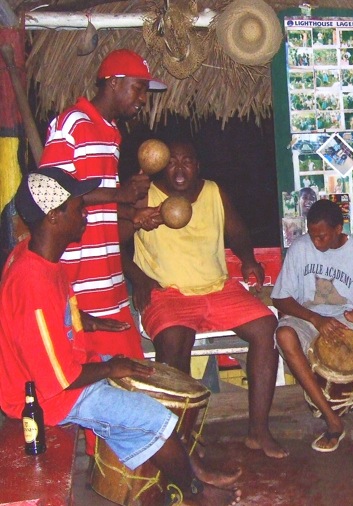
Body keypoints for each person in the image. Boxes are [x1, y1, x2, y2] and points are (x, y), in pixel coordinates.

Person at [0, 168, 241, 505]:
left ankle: (189, 470)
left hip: (60, 374)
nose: (84, 213)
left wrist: (86, 322)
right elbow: (57, 378)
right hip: (46, 398)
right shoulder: (33, 282)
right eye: (77, 207)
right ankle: (194, 492)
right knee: (160, 418)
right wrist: (112, 368)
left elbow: (37, 321)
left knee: (141, 398)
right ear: (54, 217)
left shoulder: (32, 256)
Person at [121, 139, 288, 459]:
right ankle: (180, 439)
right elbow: (112, 241)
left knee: (268, 328)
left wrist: (248, 258)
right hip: (168, 293)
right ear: (161, 164)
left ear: (198, 165)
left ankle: (258, 431)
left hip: (219, 288)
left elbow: (237, 231)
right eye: (172, 161)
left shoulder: (214, 191)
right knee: (174, 341)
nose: (180, 168)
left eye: (187, 161)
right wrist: (139, 277)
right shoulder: (145, 195)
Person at [38, 48, 164, 456]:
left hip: (109, 276)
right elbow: (52, 193)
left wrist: (130, 211)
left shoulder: (111, 132)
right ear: (113, 82)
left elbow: (95, 204)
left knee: (130, 379)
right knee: (100, 385)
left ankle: (124, 466)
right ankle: (106, 467)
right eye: (138, 89)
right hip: (79, 280)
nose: (142, 98)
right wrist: (119, 192)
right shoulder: (71, 124)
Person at [271, 199, 353, 452]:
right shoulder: (300, 248)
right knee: (284, 335)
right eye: (313, 235)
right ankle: (332, 419)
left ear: (339, 229)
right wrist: (315, 319)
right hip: (307, 315)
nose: (316, 242)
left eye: (322, 236)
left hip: (343, 316)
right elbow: (279, 297)